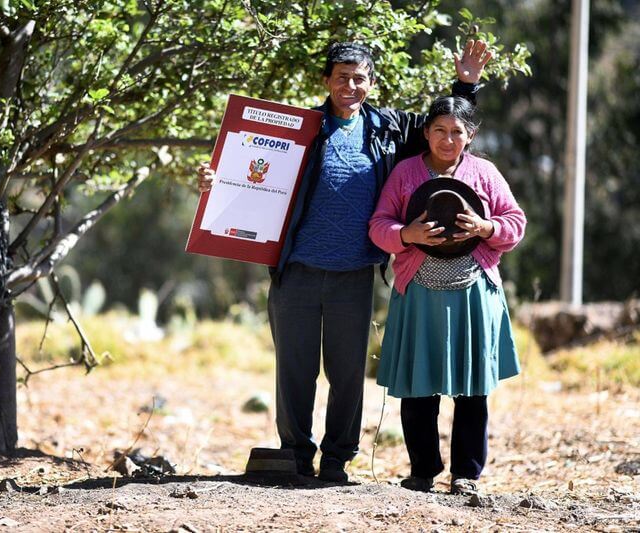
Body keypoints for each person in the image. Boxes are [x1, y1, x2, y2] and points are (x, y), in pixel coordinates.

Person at [198, 41, 492, 482]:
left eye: (359, 78)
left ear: (371, 84)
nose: (350, 86)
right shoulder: (298, 130)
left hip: (353, 273)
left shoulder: (387, 128)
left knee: (349, 372)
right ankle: (296, 455)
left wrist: (466, 83)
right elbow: (249, 170)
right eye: (341, 77)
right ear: (326, 81)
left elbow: (446, 128)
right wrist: (215, 180)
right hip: (295, 269)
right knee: (295, 371)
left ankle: (337, 459)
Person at [368, 95, 526, 495]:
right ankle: (422, 471)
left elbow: (515, 223)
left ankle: (466, 475)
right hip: (418, 291)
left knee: (472, 387)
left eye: (457, 131)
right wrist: (407, 234)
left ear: (470, 135)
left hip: (474, 293)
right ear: (426, 133)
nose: (447, 139)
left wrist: (486, 228)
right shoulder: (405, 173)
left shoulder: (485, 173)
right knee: (418, 384)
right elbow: (378, 224)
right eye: (439, 130)